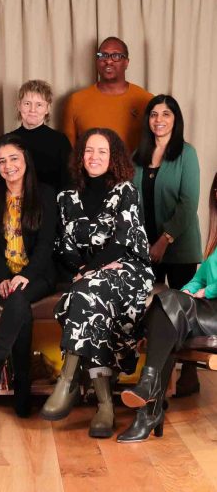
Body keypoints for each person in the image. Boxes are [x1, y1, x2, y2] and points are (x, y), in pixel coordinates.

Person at [40, 128, 154, 438]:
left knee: (84, 294)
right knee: (87, 299)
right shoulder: (66, 198)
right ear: (80, 156)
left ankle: (69, 382)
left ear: (113, 156)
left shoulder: (126, 191)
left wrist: (89, 270)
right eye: (89, 151)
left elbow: (121, 241)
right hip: (87, 277)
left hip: (128, 271)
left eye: (102, 151)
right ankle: (105, 404)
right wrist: (82, 270)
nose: (94, 157)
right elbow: (62, 246)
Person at [118, 172, 217, 443]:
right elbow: (202, 274)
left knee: (169, 308)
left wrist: (204, 291)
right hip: (206, 306)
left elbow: (211, 284)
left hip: (213, 310)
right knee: (169, 301)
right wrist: (190, 288)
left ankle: (149, 405)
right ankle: (149, 404)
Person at [0, 134, 57, 417]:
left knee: (19, 296)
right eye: (2, 161)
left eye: (14, 158)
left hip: (38, 274)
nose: (8, 165)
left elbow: (48, 242)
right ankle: (21, 384)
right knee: (18, 305)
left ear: (26, 161)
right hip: (4, 274)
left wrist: (27, 274)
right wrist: (1, 275)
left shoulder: (45, 194)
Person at [132, 94, 202, 397]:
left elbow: (189, 204)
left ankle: (188, 373)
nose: (159, 120)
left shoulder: (187, 154)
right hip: (143, 246)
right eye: (154, 114)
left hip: (179, 244)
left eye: (166, 114)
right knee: (150, 311)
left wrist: (164, 240)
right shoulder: (138, 154)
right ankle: (154, 376)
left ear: (176, 119)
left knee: (186, 309)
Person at [62, 37, 152, 153]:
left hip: (134, 171)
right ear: (97, 61)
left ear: (126, 63)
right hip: (89, 171)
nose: (108, 61)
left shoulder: (146, 100)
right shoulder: (75, 101)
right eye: (103, 55)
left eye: (116, 56)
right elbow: (68, 155)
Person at [11, 80, 71, 191]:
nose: (32, 110)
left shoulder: (60, 141)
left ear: (47, 108)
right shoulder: (8, 141)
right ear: (19, 106)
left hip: (51, 205)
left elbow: (68, 183)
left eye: (39, 104)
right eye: (27, 103)